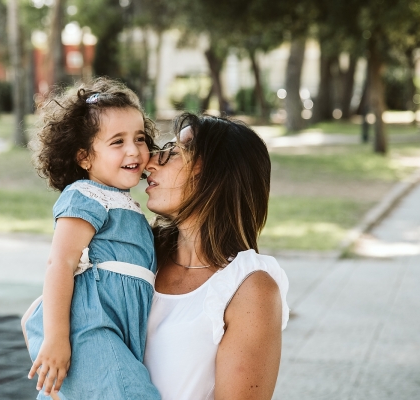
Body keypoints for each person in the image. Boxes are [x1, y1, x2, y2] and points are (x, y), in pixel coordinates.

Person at [21, 78, 161, 400]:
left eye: (140, 138)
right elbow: (60, 263)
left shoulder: (128, 205)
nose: (134, 150)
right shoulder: (85, 195)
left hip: (119, 328)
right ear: (84, 157)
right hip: (90, 328)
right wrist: (56, 337)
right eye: (117, 142)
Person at [143, 113, 290, 400]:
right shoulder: (140, 252)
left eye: (174, 152)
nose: (149, 163)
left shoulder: (249, 289)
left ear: (211, 173)